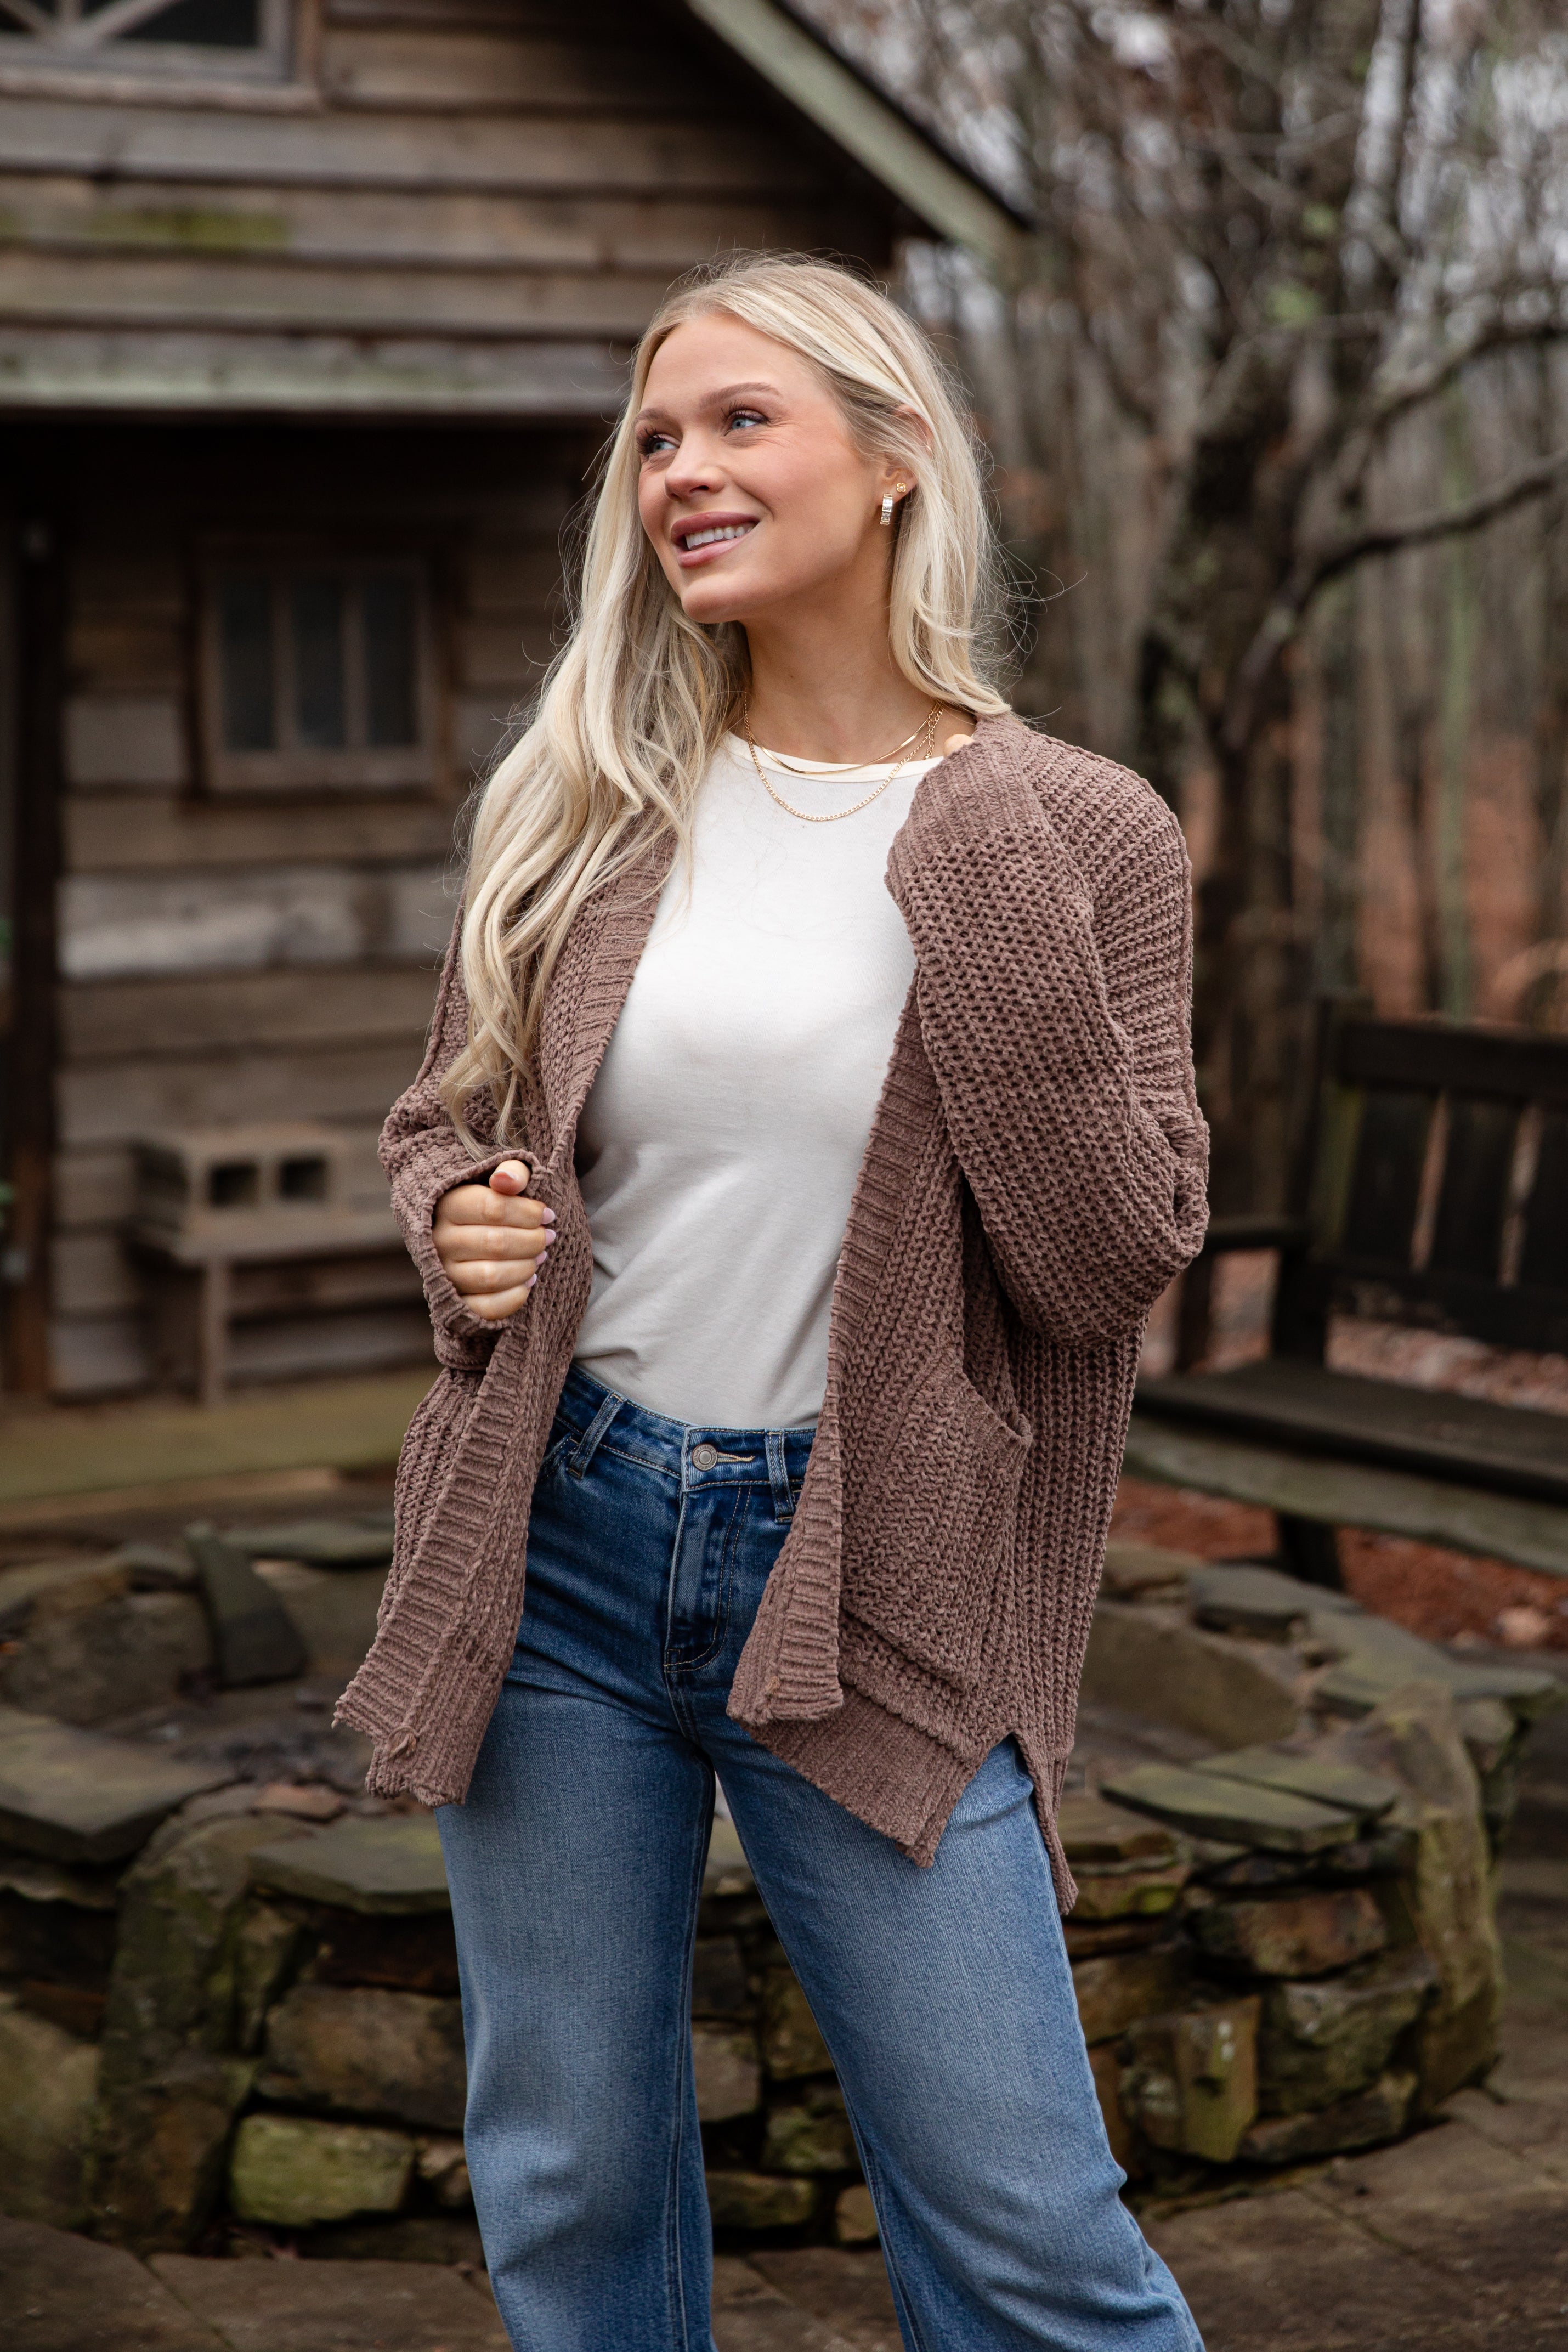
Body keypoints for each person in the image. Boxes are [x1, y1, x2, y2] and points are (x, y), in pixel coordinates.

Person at [338, 253, 1209, 2352]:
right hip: (558, 1538)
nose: (680, 473)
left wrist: (971, 866)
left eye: (740, 422)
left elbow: (1112, 1262)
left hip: (873, 1556)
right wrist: (455, 1212)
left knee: (1022, 2221)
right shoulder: (593, 804)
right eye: (654, 437)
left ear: (896, 461)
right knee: (566, 2179)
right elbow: (438, 1116)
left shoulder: (1076, 828)